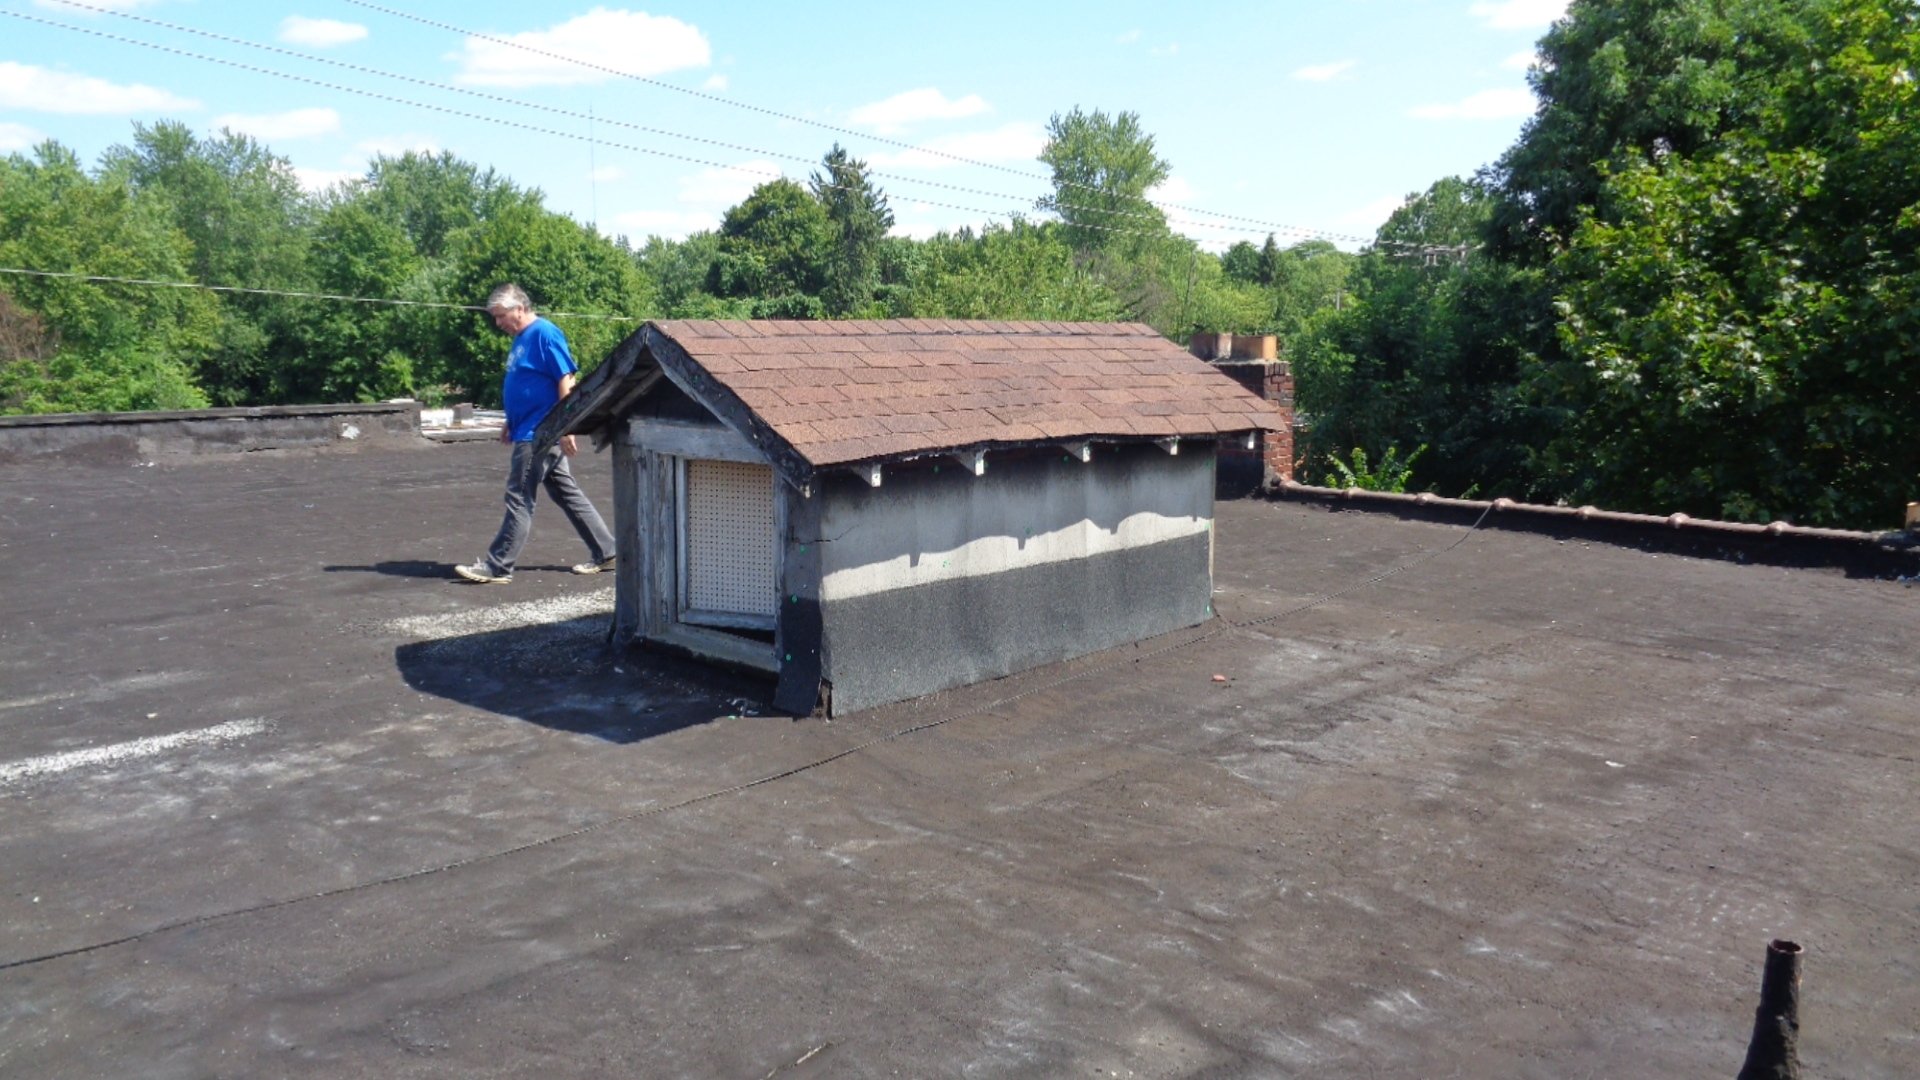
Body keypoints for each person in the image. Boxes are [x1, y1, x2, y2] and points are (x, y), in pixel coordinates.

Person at [454, 283, 615, 585]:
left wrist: (566, 426)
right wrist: (510, 419)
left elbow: (565, 378)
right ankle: (607, 551)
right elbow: (526, 383)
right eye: (495, 317)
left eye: (500, 315)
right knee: (565, 493)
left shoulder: (544, 333)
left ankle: (498, 566)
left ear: (519, 308)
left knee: (519, 496)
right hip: (528, 427)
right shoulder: (521, 339)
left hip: (540, 433)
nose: (497, 323)